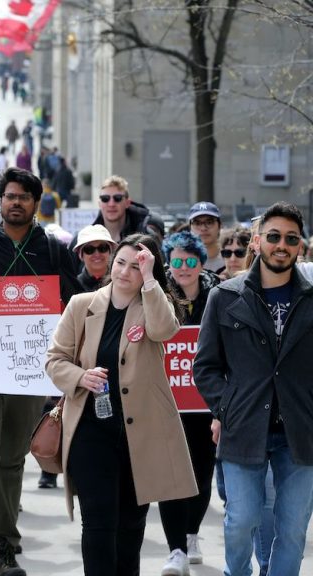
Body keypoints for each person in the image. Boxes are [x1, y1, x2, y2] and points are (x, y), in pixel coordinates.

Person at [45, 234, 197, 576]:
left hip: (141, 434)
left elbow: (163, 330)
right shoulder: (82, 305)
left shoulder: (154, 305)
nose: (127, 271)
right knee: (98, 526)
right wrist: (80, 376)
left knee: (130, 526)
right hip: (89, 430)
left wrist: (150, 280)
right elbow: (55, 360)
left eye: (137, 265)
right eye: (121, 262)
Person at [0, 167, 81, 576]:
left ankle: (5, 549)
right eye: (9, 195)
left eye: (23, 197)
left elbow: (75, 300)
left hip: (29, 367)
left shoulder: (51, 248)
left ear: (35, 203)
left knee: (11, 458)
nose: (15, 202)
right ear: (1, 200)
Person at [194, 201, 313, 576]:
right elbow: (205, 367)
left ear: (301, 246)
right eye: (274, 236)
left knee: (292, 530)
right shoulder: (225, 296)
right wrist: (225, 407)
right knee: (241, 521)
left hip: (300, 434)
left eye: (291, 239)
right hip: (243, 428)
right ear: (257, 241)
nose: (282, 245)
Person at [158, 232, 220, 574]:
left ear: (201, 262)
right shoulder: (160, 295)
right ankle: (176, 550)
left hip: (206, 403)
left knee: (201, 473)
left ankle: (192, 532)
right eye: (177, 261)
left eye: (190, 261)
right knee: (171, 475)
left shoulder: (218, 295)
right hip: (168, 403)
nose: (183, 268)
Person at [69, 175, 150, 256]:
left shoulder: (144, 236)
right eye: (105, 198)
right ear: (99, 204)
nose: (111, 204)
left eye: (117, 198)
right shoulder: (83, 240)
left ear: (127, 203)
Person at [74, 224, 117, 292]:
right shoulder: (74, 286)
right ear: (80, 255)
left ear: (110, 252)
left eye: (102, 248)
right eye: (89, 249)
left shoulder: (119, 283)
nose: (97, 254)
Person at [188, 202, 225, 274]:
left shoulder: (232, 257)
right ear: (190, 227)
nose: (203, 228)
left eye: (209, 222)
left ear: (220, 225)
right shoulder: (182, 261)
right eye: (197, 223)